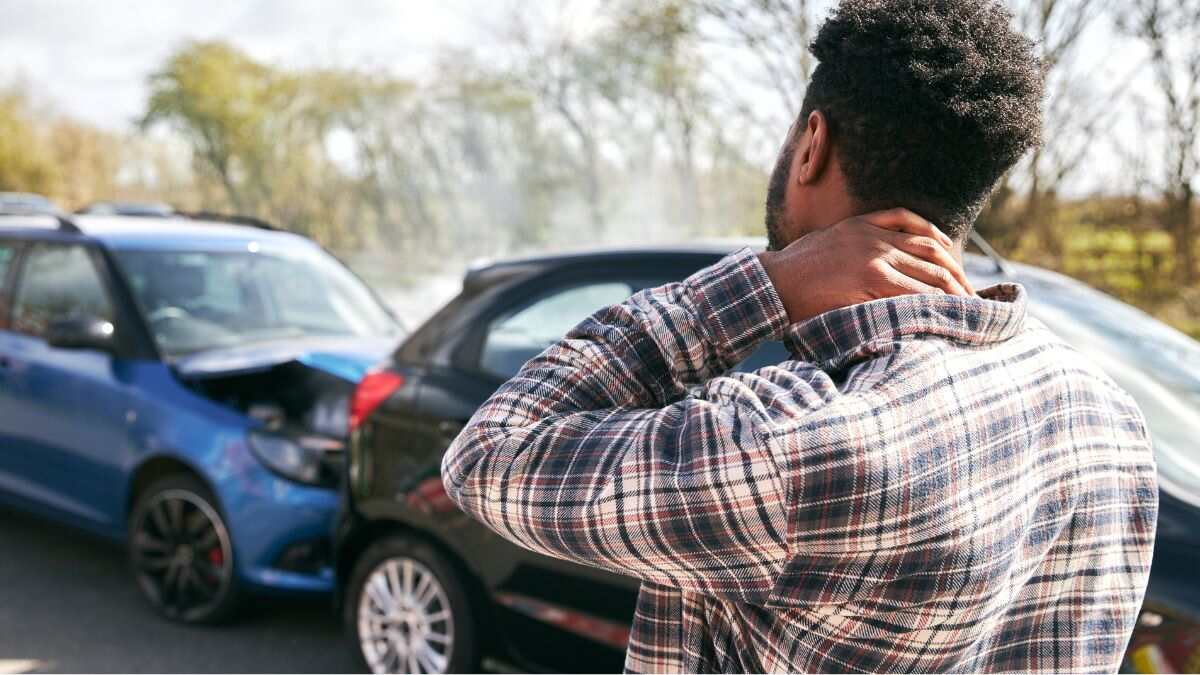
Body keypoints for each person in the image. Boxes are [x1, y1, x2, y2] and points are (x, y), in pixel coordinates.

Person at [441, 0, 1157, 672]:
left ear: (812, 143)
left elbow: (488, 455)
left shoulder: (786, 444)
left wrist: (766, 284)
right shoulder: (1108, 417)